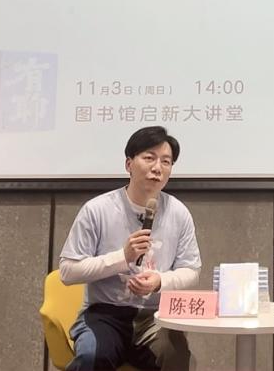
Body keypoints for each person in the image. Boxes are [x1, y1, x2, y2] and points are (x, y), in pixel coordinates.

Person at [59, 126, 201, 370]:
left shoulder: (179, 213)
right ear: (129, 164)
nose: (157, 168)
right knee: (93, 356)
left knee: (175, 356)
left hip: (155, 316)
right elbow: (68, 271)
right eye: (149, 158)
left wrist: (159, 281)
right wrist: (122, 257)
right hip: (105, 314)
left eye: (166, 161)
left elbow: (191, 271)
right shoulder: (98, 209)